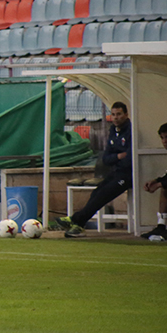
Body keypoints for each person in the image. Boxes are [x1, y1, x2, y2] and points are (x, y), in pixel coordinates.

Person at [55, 102, 132, 238]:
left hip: (128, 174)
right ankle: (78, 225)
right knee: (97, 192)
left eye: (119, 114)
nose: (115, 118)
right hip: (116, 171)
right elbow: (106, 158)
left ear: (126, 115)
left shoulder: (131, 130)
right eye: (113, 114)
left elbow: (129, 158)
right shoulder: (113, 131)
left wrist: (118, 158)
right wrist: (118, 156)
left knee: (104, 194)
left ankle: (76, 220)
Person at [140, 122, 167, 241]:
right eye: (162, 138)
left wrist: (159, 184)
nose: (165, 141)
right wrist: (156, 181)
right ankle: (161, 225)